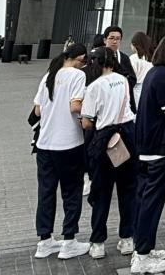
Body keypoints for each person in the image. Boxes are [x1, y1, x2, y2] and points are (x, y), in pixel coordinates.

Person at [133, 34, 165, 275]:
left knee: (144, 198)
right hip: (160, 148)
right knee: (152, 202)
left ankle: (142, 247)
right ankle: (143, 256)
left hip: (146, 146)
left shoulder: (153, 73)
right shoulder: (164, 77)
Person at [33, 43, 89, 260]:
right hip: (69, 143)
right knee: (71, 192)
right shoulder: (77, 75)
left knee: (46, 192)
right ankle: (69, 241)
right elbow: (75, 106)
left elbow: (37, 110)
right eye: (84, 61)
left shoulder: (48, 75)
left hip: (45, 143)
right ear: (79, 57)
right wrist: (91, 111)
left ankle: (44, 241)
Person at [80, 48, 137, 260]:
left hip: (106, 139)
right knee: (128, 189)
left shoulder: (94, 87)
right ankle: (127, 238)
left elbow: (87, 122)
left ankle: (98, 242)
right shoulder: (123, 80)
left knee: (102, 191)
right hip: (127, 135)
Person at [104, 25, 139, 106]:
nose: (114, 41)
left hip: (121, 99)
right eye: (111, 38)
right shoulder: (97, 56)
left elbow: (132, 79)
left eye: (117, 39)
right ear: (105, 40)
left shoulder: (124, 58)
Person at [131, 32, 156, 105]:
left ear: (135, 45)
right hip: (149, 89)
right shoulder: (151, 58)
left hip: (136, 89)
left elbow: (131, 74)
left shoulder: (134, 58)